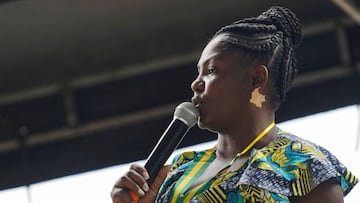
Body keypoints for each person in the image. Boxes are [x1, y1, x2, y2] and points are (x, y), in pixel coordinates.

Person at [111, 6, 358, 203]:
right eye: (197, 73)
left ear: (256, 78)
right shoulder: (178, 171)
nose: (196, 84)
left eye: (211, 70)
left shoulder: (304, 164)